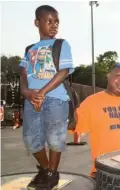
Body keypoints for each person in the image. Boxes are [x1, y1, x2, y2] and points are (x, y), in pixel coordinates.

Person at [19, 5, 74, 190]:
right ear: (37, 23)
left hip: (55, 99)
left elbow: (64, 71)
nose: (54, 25)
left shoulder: (61, 44)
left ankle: (51, 174)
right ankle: (45, 169)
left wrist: (41, 92)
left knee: (54, 138)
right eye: (49, 21)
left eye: (56, 22)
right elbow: (23, 75)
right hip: (32, 100)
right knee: (31, 139)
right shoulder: (29, 49)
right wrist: (28, 93)